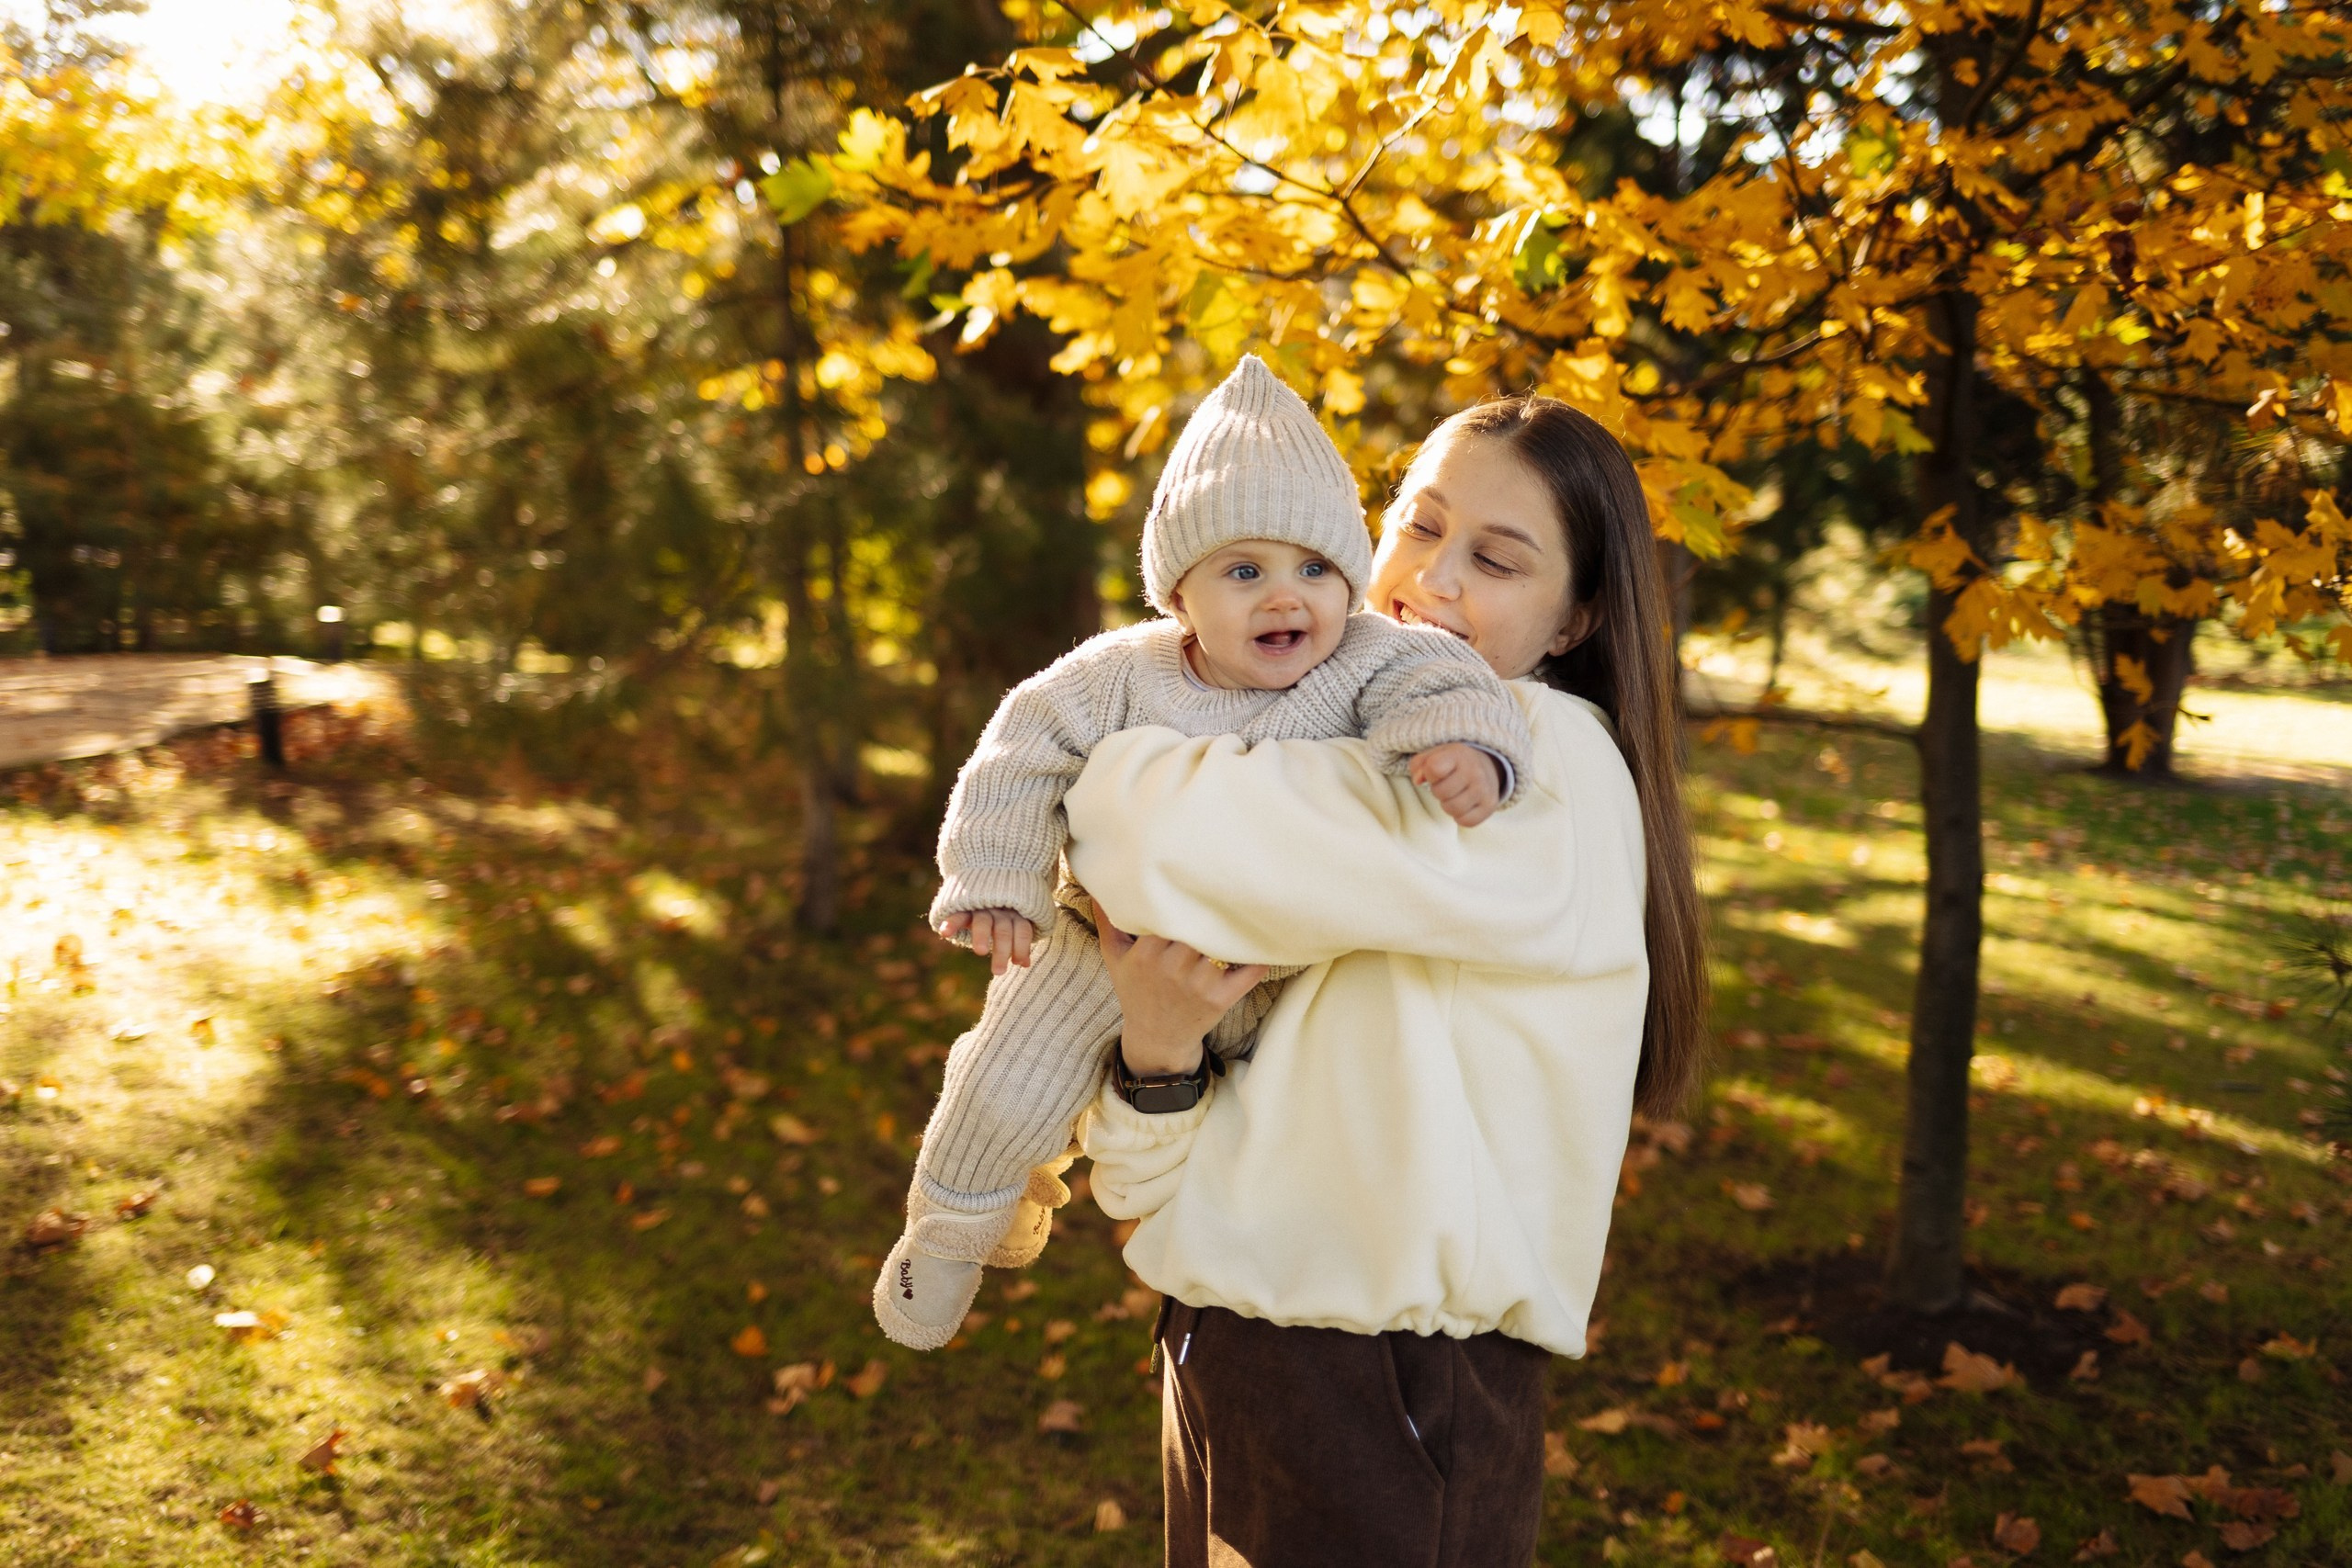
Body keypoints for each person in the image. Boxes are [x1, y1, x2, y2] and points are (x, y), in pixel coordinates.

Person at [1066, 396, 1710, 1566]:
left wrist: (1108, 758)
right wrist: (1158, 1056)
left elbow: (1134, 831)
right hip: (1230, 1354)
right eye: (1417, 527)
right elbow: (1149, 1178)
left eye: (1496, 560)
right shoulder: (1338, 744)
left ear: (1576, 619)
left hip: (1382, 1386)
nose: (1432, 581)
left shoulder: (1529, 763)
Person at [874, 355, 1537, 1350]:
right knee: (1009, 1082)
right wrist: (996, 878)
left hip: (1277, 977)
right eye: (1245, 571)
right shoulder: (1118, 675)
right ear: (1177, 596)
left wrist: (1463, 748)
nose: (1287, 598)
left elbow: (1444, 678)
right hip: (1093, 946)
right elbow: (1018, 749)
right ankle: (955, 1228)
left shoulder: (1370, 653)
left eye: (1315, 568)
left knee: (1263, 1140)